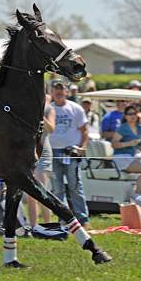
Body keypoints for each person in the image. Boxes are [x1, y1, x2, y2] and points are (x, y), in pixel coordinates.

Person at [49, 80, 91, 226]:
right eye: (56, 89)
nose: (59, 92)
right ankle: (63, 219)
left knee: (74, 186)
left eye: (61, 89)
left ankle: (83, 219)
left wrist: (83, 147)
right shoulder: (48, 109)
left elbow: (84, 130)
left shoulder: (76, 108)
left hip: (71, 152)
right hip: (53, 153)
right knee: (57, 188)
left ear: (66, 91)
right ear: (52, 92)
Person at [111, 104, 141, 194]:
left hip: (133, 157)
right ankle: (137, 195)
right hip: (122, 158)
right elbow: (114, 144)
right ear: (125, 116)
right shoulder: (123, 128)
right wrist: (129, 143)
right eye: (130, 114)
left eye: (134, 113)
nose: (133, 116)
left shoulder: (140, 127)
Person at [27, 94, 55, 228]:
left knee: (42, 191)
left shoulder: (49, 109)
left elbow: (50, 128)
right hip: (28, 153)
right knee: (30, 194)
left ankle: (47, 225)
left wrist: (39, 115)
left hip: (43, 152)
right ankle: (33, 226)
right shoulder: (26, 107)